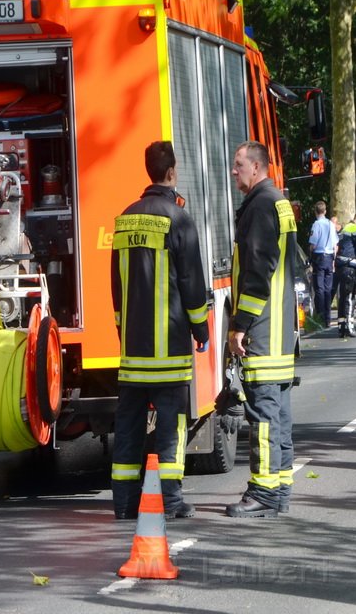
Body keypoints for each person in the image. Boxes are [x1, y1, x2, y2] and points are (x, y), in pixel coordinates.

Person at [110, 141, 209, 520]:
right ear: (172, 172)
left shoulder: (124, 219)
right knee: (171, 427)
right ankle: (170, 502)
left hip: (133, 353)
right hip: (169, 352)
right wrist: (200, 328)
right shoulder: (179, 219)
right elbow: (191, 281)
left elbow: (116, 288)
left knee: (129, 429)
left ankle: (123, 504)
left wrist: (124, 332)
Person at [226, 141, 297, 518]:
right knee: (279, 414)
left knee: (264, 415)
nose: (234, 171)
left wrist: (240, 325)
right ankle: (281, 487)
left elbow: (256, 271)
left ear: (256, 166)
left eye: (238, 165)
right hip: (282, 332)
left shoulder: (259, 206)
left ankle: (264, 493)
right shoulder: (279, 202)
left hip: (264, 331)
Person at [308, 200, 337, 327]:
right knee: (327, 289)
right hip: (330, 257)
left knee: (319, 288)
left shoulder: (316, 225)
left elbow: (313, 245)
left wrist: (310, 254)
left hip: (319, 257)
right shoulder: (331, 224)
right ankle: (328, 317)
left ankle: (320, 316)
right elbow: (336, 245)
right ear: (325, 211)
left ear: (315, 212)